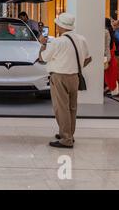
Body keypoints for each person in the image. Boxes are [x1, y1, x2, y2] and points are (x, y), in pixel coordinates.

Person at [39, 13, 91, 149]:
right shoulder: (81, 39)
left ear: (60, 26)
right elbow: (88, 58)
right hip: (74, 77)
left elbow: (43, 58)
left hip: (59, 77)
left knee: (61, 108)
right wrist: (76, 66)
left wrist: (42, 44)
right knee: (72, 108)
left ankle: (66, 138)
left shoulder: (57, 42)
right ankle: (69, 134)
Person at [104, 18, 118, 95]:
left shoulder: (106, 31)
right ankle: (109, 87)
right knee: (109, 72)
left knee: (107, 72)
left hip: (108, 53)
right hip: (110, 53)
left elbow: (107, 45)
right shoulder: (111, 30)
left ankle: (107, 87)